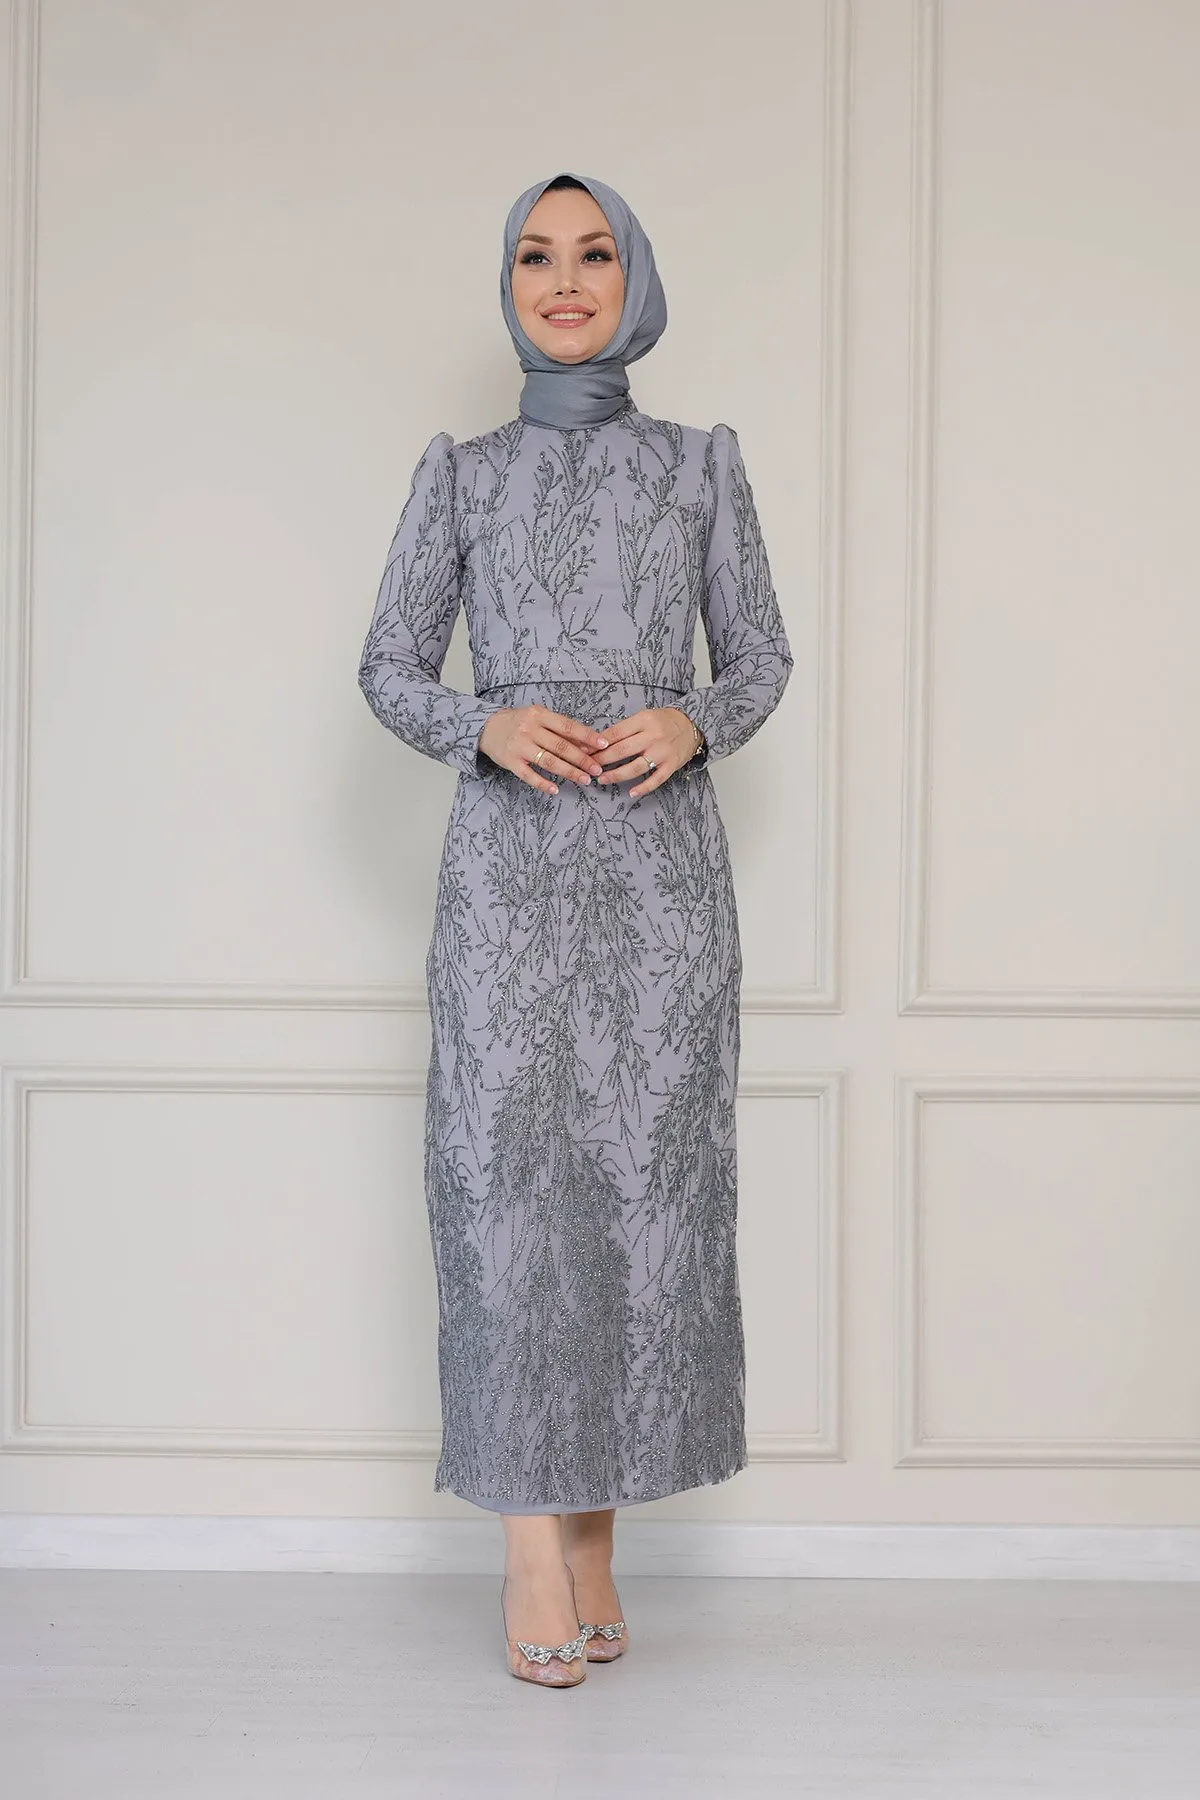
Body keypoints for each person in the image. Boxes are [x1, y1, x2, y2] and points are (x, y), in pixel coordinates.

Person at [357, 170, 793, 1688]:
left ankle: (595, 1536)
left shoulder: (700, 466)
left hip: (663, 884)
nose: (563, 281)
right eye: (535, 258)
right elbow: (389, 664)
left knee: (637, 1204)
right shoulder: (462, 476)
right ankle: (528, 1549)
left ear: (634, 281)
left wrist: (696, 717)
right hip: (509, 878)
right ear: (508, 286)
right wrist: (483, 723)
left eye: (594, 255)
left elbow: (761, 654)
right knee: (506, 1199)